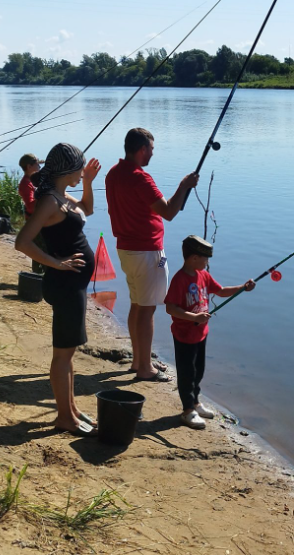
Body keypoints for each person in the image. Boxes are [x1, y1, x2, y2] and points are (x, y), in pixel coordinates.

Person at [14, 143, 103, 436]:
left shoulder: (61, 196)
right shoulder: (50, 202)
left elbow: (88, 208)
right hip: (65, 285)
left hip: (72, 285)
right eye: (79, 168)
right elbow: (22, 242)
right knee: (62, 355)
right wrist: (56, 263)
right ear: (66, 170)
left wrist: (89, 182)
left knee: (69, 352)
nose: (81, 172)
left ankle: (72, 410)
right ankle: (64, 417)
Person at [105, 128, 198, 382]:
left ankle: (139, 360)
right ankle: (145, 368)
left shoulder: (113, 173)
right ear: (142, 149)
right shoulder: (140, 178)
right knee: (146, 310)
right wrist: (184, 185)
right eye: (152, 150)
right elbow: (168, 212)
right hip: (147, 252)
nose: (152, 154)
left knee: (137, 305)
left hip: (126, 249)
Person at [164, 235, 255, 429]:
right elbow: (170, 308)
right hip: (184, 335)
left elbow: (220, 291)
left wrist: (242, 288)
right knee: (187, 373)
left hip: (201, 334)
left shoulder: (203, 276)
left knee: (199, 371)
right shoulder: (180, 279)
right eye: (205, 259)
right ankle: (187, 410)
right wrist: (194, 318)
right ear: (194, 258)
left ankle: (196, 402)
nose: (207, 263)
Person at [18, 153, 46, 274]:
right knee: (40, 249)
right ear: (29, 167)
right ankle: (38, 276)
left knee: (42, 249)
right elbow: (30, 206)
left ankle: (40, 275)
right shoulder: (25, 184)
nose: (39, 166)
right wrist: (43, 196)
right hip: (34, 222)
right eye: (37, 164)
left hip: (38, 221)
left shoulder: (32, 180)